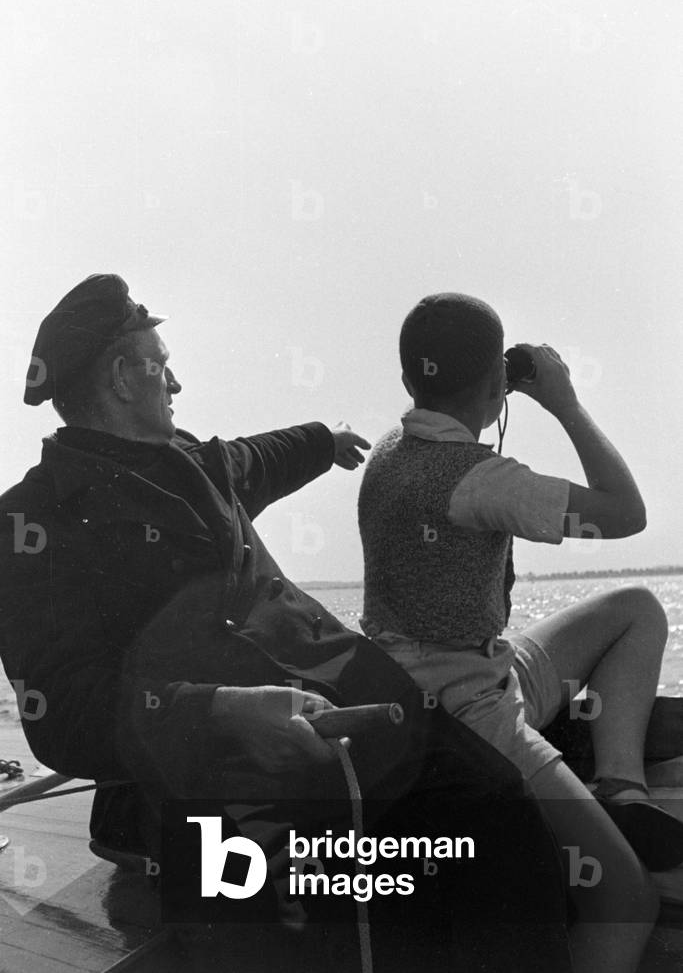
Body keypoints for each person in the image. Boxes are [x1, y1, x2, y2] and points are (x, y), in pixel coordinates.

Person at [0, 275, 571, 973]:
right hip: (228, 785)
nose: (175, 382)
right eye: (161, 362)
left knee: (502, 814)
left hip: (354, 704)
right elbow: (59, 711)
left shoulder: (195, 463)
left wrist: (323, 440)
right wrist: (224, 710)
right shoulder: (32, 522)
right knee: (447, 867)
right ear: (123, 376)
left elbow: (261, 455)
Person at [358, 291, 680, 973]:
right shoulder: (478, 479)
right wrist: (562, 401)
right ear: (497, 384)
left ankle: (618, 788)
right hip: (467, 716)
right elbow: (625, 512)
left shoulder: (389, 452)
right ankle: (615, 795)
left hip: (456, 676)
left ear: (411, 378)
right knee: (625, 900)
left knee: (634, 606)